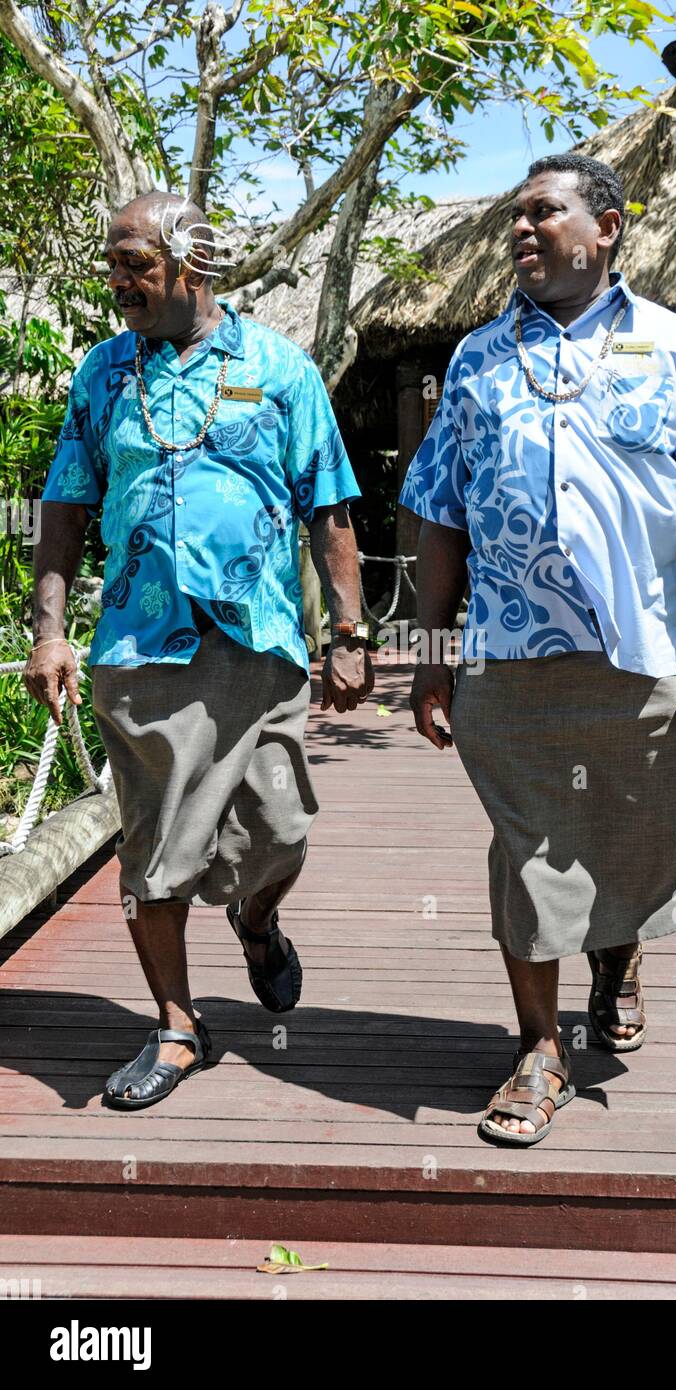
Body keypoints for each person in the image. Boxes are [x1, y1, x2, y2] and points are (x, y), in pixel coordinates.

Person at [401, 153, 676, 1146]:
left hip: (643, 649)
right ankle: (538, 1049)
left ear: (604, 226)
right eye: (514, 217)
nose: (521, 229)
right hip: (507, 652)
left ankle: (616, 955)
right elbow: (438, 516)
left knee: (635, 840)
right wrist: (432, 652)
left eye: (543, 212)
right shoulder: (478, 359)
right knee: (527, 851)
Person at [26, 192, 373, 1110]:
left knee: (279, 830)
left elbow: (328, 507)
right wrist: (52, 631)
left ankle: (258, 923)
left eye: (136, 263)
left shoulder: (281, 368)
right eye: (114, 263)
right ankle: (178, 1025)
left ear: (192, 264)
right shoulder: (102, 374)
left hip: (257, 643)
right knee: (152, 847)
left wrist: (350, 632)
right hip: (140, 646)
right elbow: (64, 507)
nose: (118, 282)